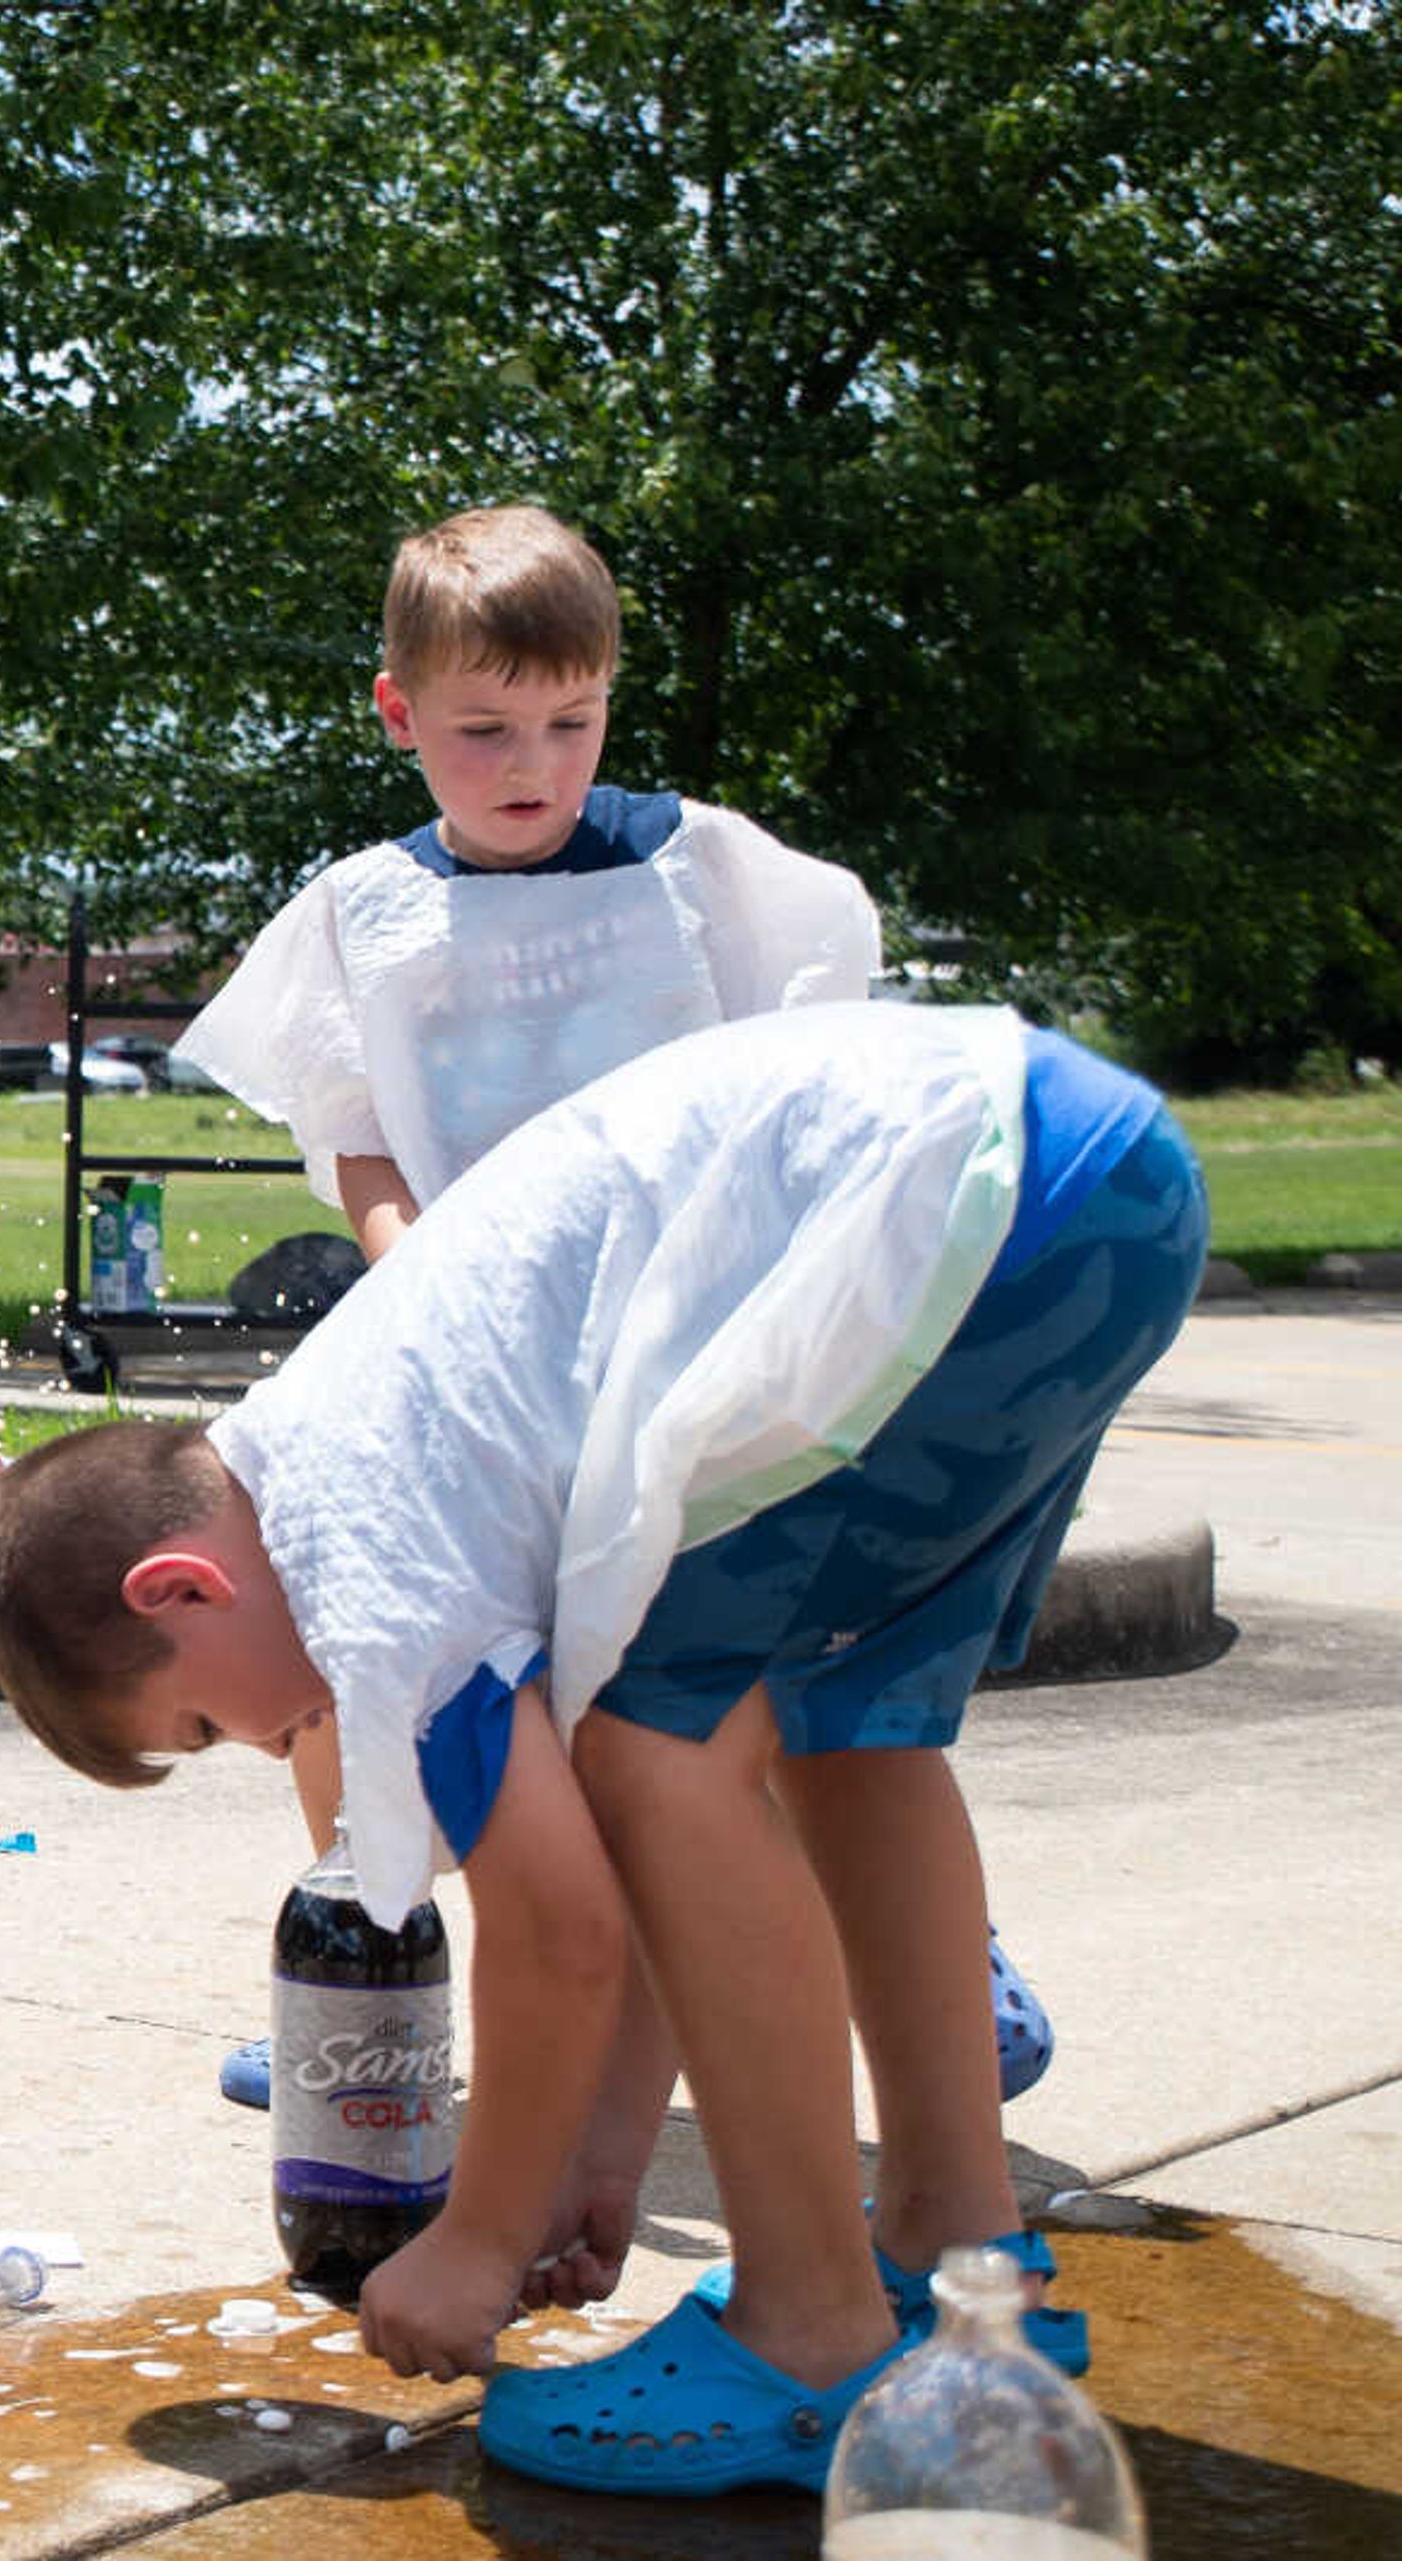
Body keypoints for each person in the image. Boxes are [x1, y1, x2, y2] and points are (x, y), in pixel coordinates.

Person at [0, 1000, 1205, 2497]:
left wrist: (477, 2241)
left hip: (934, 1203)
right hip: (1074, 1170)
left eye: (209, 1723)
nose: (278, 1736)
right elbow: (626, 1892)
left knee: (657, 1747)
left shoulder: (357, 1559)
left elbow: (562, 1932)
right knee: (841, 1722)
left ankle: (811, 2330)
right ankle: (962, 2267)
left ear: (180, 1588)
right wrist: (604, 2154)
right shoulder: (373, 1446)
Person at [157, 506, 1059, 2112]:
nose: (532, 765)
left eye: (570, 725)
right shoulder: (366, 911)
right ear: (398, 713)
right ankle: (377, 1972)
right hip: (476, 1342)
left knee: (737, 1675)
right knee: (363, 1642)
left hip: (702, 1340)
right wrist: (411, 1260)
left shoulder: (694, 868)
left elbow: (803, 1072)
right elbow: (358, 1129)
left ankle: (931, 1950)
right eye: (484, 731)